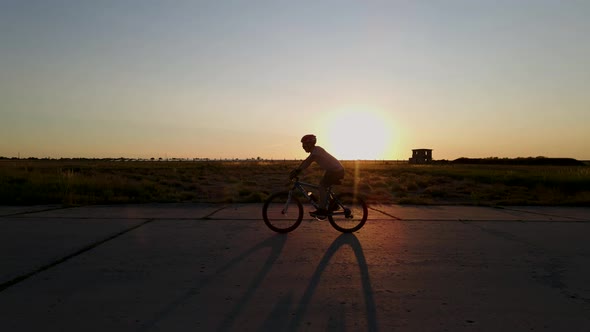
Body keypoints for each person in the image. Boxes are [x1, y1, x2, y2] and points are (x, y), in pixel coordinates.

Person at [290, 134, 345, 217]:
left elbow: (307, 162)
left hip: (336, 171)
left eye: (304, 144)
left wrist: (297, 171)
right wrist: (298, 170)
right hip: (332, 171)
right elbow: (306, 161)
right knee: (323, 186)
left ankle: (322, 210)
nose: (303, 147)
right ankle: (333, 204)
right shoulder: (315, 151)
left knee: (322, 186)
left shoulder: (317, 151)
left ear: (310, 144)